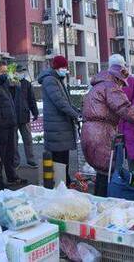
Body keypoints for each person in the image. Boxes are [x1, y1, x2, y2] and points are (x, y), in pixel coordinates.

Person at [81, 62, 134, 197]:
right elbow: (126, 109)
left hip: (91, 132)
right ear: (117, 78)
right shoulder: (111, 87)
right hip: (100, 134)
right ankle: (104, 204)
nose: (122, 87)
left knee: (102, 173)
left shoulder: (98, 86)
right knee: (107, 173)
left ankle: (99, 201)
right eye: (122, 84)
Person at [38, 56, 80, 187]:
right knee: (59, 159)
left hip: (60, 125)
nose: (65, 70)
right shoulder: (50, 80)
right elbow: (60, 102)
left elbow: (65, 101)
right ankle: (60, 184)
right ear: (56, 67)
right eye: (63, 67)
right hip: (56, 126)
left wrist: (76, 111)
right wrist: (75, 115)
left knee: (63, 158)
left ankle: (64, 181)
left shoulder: (57, 79)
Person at [0, 61, 28, 189]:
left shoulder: (6, 84)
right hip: (0, 126)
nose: (6, 74)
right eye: (3, 72)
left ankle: (12, 176)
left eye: (6, 72)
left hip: (11, 123)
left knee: (10, 153)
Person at [108, 54, 134, 170]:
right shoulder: (110, 80)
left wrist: (132, 110)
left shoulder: (130, 79)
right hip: (118, 119)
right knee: (117, 148)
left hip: (124, 118)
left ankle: (127, 174)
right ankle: (121, 174)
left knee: (124, 148)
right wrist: (132, 110)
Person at [10, 66, 39, 169]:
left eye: (23, 71)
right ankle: (15, 161)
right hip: (12, 116)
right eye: (19, 71)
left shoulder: (27, 84)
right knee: (13, 141)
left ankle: (30, 160)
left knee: (28, 139)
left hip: (24, 115)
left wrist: (35, 112)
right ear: (15, 73)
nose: (21, 73)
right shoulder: (10, 83)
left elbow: (32, 99)